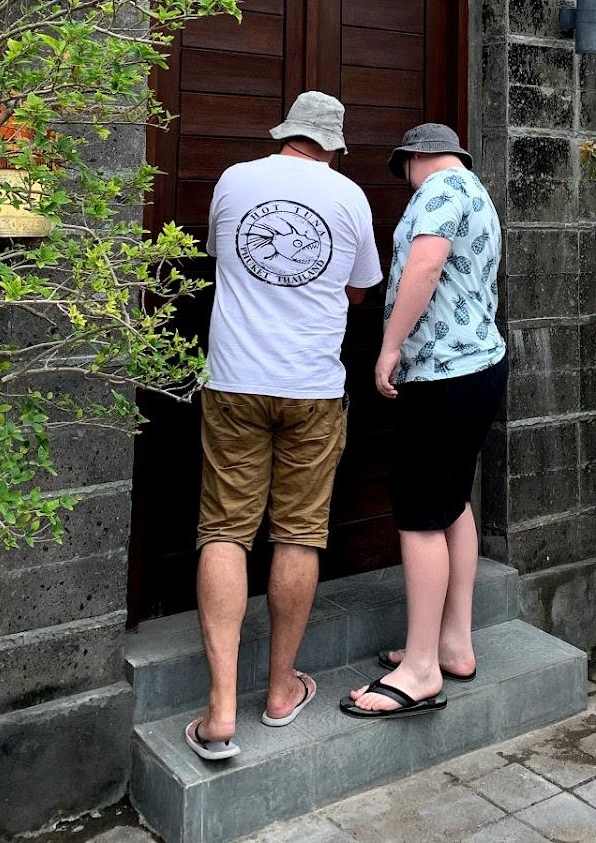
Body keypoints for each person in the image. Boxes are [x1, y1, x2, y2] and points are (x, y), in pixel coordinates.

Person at [185, 91, 382, 760]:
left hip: (235, 380)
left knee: (224, 530)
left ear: (286, 134)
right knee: (298, 532)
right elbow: (360, 290)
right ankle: (277, 692)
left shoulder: (236, 180)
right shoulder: (350, 197)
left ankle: (218, 714)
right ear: (332, 145)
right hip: (312, 388)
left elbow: (221, 255)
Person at [341, 123, 507, 720]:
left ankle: (419, 669)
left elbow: (425, 265)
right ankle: (453, 643)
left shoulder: (436, 191)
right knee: (452, 502)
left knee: (416, 515)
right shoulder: (477, 192)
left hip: (441, 376)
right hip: (479, 368)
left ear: (415, 159)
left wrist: (389, 345)